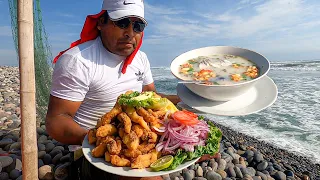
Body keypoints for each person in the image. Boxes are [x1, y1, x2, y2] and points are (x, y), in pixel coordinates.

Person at [45, 0, 179, 179]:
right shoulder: (78, 61)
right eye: (122, 23)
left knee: (198, 147)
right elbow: (56, 120)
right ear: (101, 22)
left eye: (137, 26)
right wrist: (97, 139)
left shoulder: (141, 58)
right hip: (91, 152)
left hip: (141, 140)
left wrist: (188, 100)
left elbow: (151, 98)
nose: (130, 33)